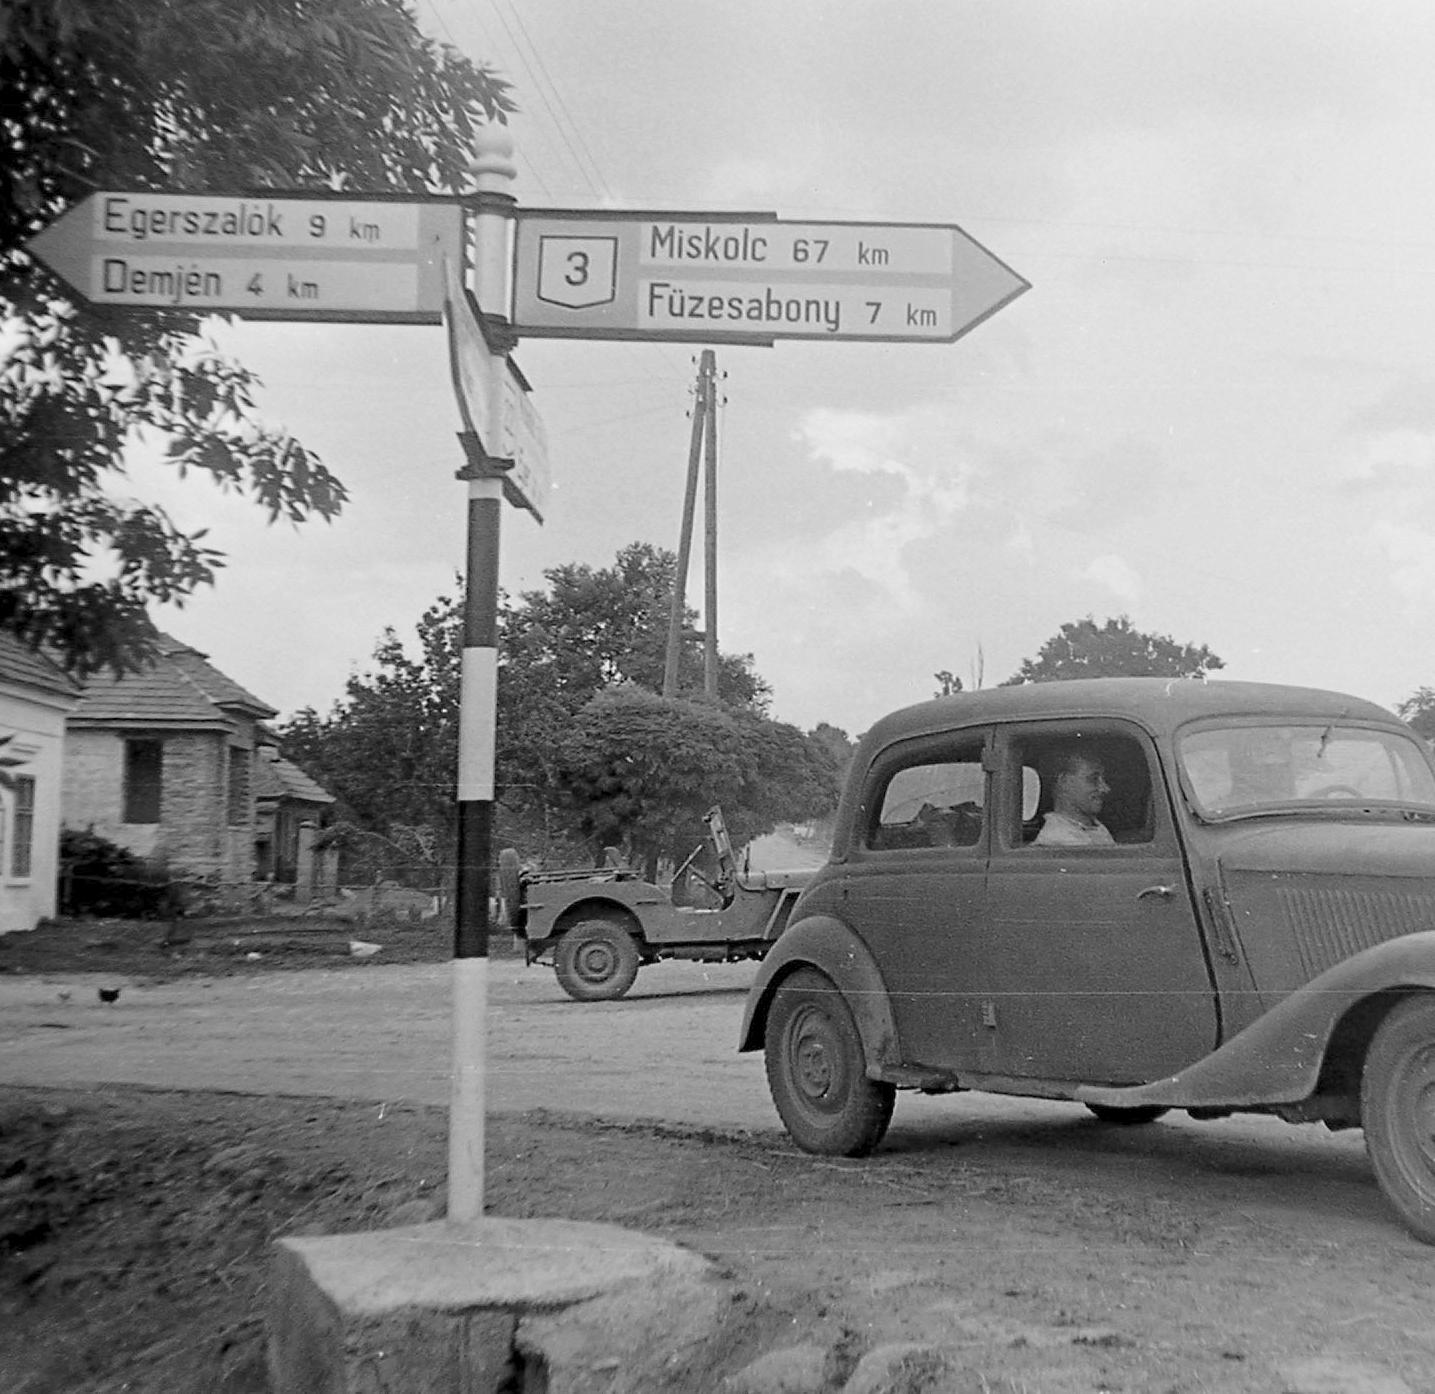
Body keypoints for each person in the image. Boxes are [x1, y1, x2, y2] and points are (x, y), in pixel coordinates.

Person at [1034, 745, 1115, 846]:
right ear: (1064, 782)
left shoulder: (1097, 829)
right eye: (1093, 779)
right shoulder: (1057, 841)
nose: (1105, 788)